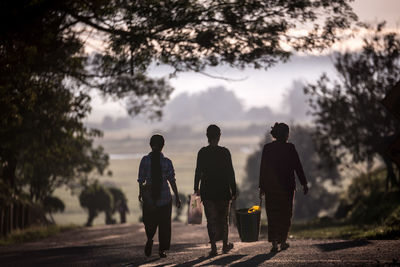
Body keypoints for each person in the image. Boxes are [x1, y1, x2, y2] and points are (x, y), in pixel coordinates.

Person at [259, 123, 308, 253]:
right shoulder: (290, 148)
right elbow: (298, 166)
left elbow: (263, 169)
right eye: (288, 132)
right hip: (287, 188)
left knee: (273, 215)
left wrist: (261, 187)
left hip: (271, 188)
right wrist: (304, 183)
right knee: (285, 215)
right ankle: (283, 241)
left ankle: (274, 243)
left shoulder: (268, 148)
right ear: (285, 134)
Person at [194, 124, 237, 256]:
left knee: (211, 220)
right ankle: (224, 245)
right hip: (223, 191)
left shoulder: (202, 152)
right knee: (223, 219)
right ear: (219, 136)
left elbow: (198, 172)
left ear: (207, 136)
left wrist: (196, 188)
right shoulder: (225, 152)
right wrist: (233, 189)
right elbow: (231, 172)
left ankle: (213, 247)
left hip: (207, 191)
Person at [138, 134, 181, 258]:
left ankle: (150, 238)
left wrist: (141, 193)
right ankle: (162, 250)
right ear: (163, 146)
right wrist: (177, 196)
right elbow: (172, 181)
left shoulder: (145, 160)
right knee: (165, 225)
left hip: (150, 199)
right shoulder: (167, 162)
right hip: (165, 198)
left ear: (150, 145)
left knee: (149, 221)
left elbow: (141, 179)